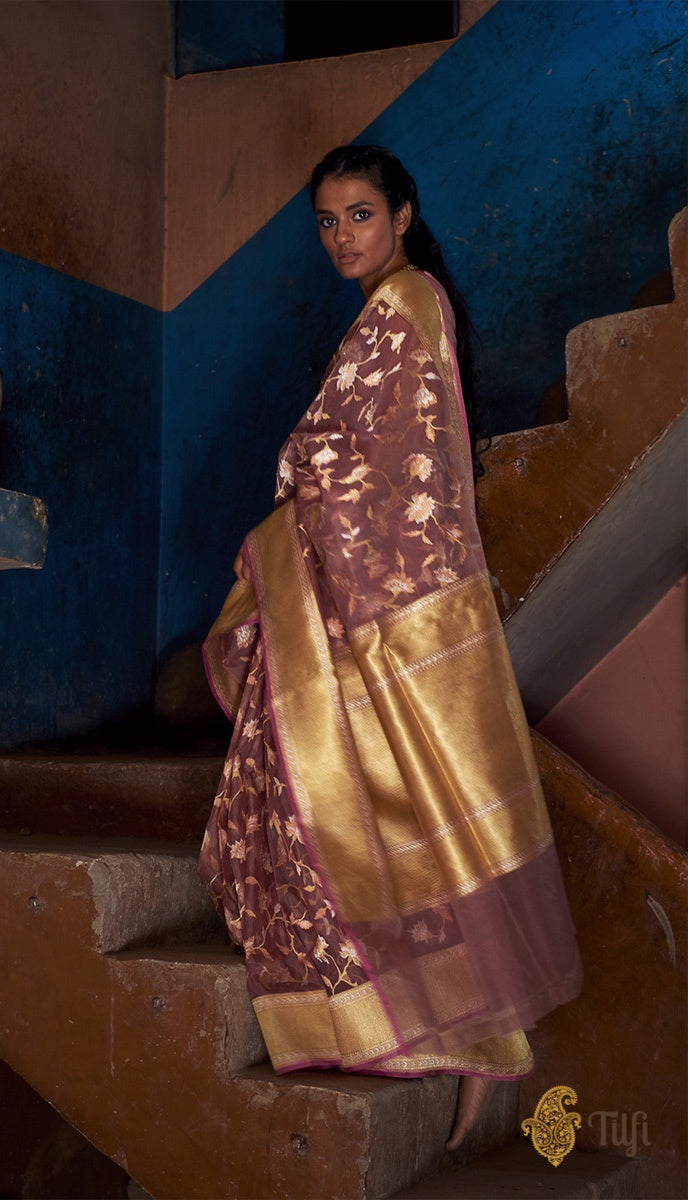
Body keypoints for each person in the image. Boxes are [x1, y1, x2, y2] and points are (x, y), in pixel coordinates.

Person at [199, 145, 582, 1151]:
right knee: (393, 815)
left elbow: (366, 461)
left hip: (377, 600)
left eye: (359, 215)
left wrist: (288, 511)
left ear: (402, 215)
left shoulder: (402, 306)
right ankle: (442, 1037)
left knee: (385, 810)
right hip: (373, 593)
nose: (342, 237)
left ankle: (466, 1037)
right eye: (327, 222)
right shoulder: (408, 307)